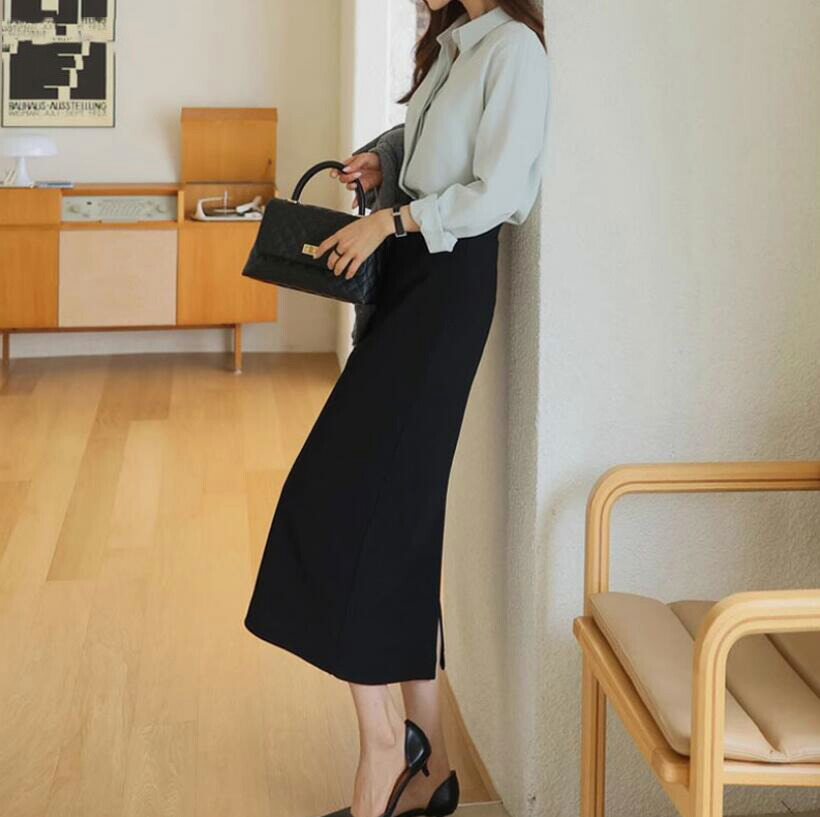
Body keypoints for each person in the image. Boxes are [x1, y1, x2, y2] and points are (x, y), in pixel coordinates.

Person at [243, 2, 550, 816]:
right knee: (400, 520)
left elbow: (499, 189)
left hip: (447, 287)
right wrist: (383, 162)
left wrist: (395, 219)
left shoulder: (514, 52)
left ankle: (386, 743)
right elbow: (432, 150)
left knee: (338, 499)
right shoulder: (454, 44)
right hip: (412, 278)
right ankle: (433, 767)